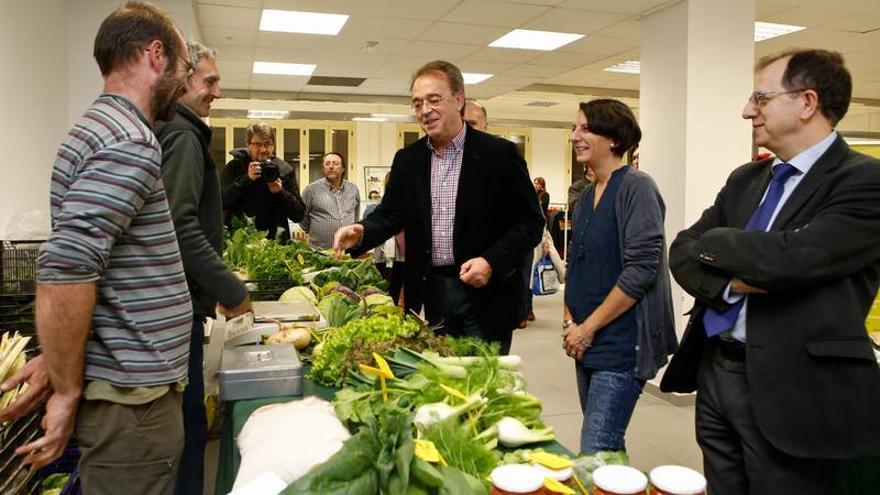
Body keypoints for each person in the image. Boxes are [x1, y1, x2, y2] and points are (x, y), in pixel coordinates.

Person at [660, 49, 880, 494]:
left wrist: (716, 242)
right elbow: (682, 250)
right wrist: (732, 283)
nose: (747, 111)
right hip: (716, 369)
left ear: (806, 103)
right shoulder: (747, 179)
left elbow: (791, 260)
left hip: (797, 389)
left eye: (760, 98)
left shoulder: (863, 181)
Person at [0, 3, 193, 493]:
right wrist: (65, 391)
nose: (186, 84)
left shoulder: (95, 128)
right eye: (185, 68)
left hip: (124, 389)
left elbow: (90, 262)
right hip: (133, 403)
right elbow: (66, 267)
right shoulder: (130, 140)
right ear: (156, 55)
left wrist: (57, 359)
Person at [333, 60, 544, 354]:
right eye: (417, 103)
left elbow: (530, 223)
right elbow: (391, 214)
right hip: (431, 292)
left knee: (482, 387)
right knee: (438, 380)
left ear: (459, 99)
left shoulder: (498, 155)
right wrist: (361, 231)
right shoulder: (408, 160)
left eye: (434, 99)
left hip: (486, 293)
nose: (424, 110)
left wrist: (492, 261)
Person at [154, 40, 252, 495]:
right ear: (182, 79)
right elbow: (180, 225)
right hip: (179, 309)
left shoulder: (179, 130)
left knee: (188, 417)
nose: (217, 91)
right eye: (209, 81)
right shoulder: (183, 135)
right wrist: (231, 289)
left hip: (180, 303)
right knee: (188, 422)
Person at [562, 99, 677, 455]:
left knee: (596, 447)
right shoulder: (584, 197)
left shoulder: (636, 188)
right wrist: (570, 321)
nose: (574, 136)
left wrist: (588, 327)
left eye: (584, 128)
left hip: (621, 344)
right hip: (585, 340)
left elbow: (641, 270)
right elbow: (578, 267)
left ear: (612, 138)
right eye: (573, 128)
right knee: (606, 446)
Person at [220, 122, 304, 242]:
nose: (263, 149)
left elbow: (298, 215)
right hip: (240, 242)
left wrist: (281, 192)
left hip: (275, 245)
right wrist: (246, 180)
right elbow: (221, 201)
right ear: (248, 145)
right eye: (258, 144)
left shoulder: (284, 170)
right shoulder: (234, 168)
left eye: (268, 144)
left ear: (273, 145)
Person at [300, 151, 360, 249]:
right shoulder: (311, 190)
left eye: (335, 164)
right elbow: (302, 217)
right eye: (327, 164)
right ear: (323, 169)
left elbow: (356, 214)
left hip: (347, 250)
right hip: (320, 251)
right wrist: (311, 229)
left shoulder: (353, 189)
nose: (331, 166)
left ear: (343, 168)